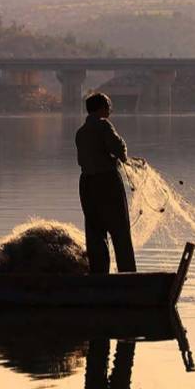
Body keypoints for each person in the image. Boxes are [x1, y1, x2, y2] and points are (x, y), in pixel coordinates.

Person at [75, 93, 138, 274]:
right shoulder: (103, 125)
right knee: (120, 232)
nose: (110, 109)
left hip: (87, 184)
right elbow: (120, 151)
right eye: (109, 106)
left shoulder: (80, 132)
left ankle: (99, 276)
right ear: (101, 108)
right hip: (107, 182)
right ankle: (128, 277)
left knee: (95, 233)